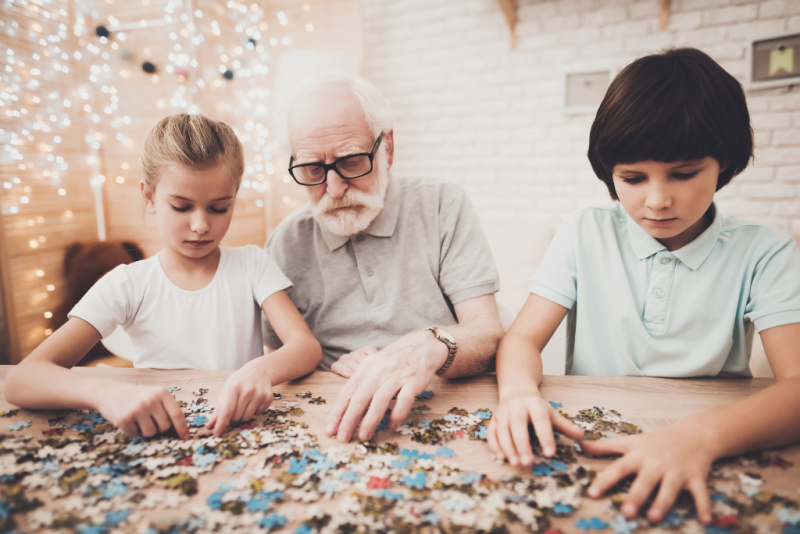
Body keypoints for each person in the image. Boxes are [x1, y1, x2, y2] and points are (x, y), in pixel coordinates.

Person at [487, 47, 800, 524]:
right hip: (589, 442)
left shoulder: (767, 252)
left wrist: (699, 438)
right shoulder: (584, 231)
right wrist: (517, 394)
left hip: (716, 448)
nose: (657, 200)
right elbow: (524, 338)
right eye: (632, 178)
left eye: (684, 173)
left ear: (726, 162)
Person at [5, 113, 321, 439]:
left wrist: (261, 370)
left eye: (218, 208)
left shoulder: (253, 264)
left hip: (240, 432)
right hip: (159, 434)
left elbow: (305, 347)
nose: (200, 225)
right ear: (149, 196)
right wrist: (106, 392)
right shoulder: (127, 283)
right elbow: (21, 379)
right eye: (182, 207)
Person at [263, 73, 504, 443]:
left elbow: (488, 335)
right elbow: (277, 363)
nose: (334, 188)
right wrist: (327, 371)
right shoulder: (285, 242)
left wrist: (431, 345)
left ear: (387, 148)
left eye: (351, 162)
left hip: (447, 412)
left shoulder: (443, 204)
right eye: (312, 169)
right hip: (334, 423)